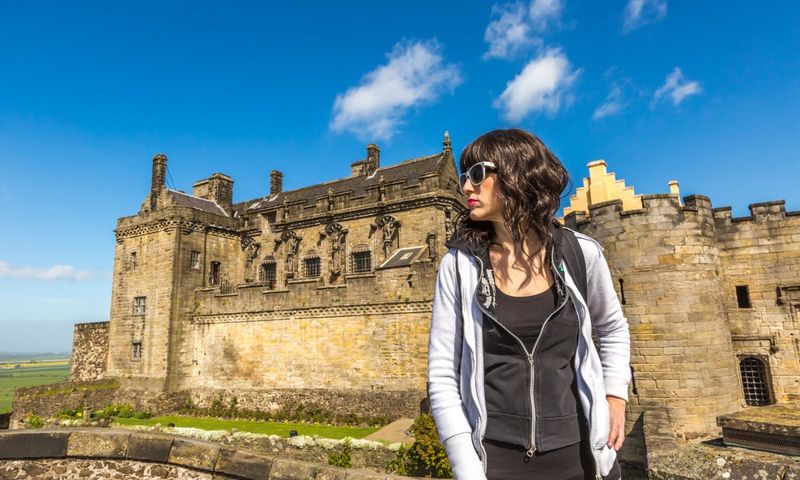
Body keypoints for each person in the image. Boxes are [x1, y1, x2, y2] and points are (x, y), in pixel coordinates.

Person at [428, 129, 631, 480]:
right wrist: (466, 466)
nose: (466, 187)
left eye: (477, 174)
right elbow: (443, 374)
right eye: (463, 177)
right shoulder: (459, 265)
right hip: (495, 459)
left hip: (582, 454)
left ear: (517, 174)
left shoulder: (581, 253)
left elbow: (612, 327)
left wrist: (616, 394)